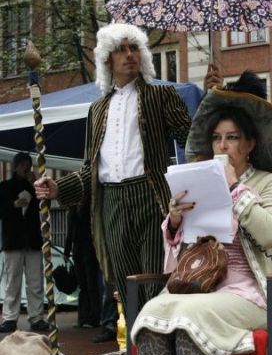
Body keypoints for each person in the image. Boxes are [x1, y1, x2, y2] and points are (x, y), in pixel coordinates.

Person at [129, 72, 272, 355]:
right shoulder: (199, 177)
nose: (223, 146)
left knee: (187, 320)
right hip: (200, 287)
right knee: (151, 315)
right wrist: (176, 221)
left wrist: (236, 189)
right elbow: (177, 261)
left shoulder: (270, 182)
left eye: (233, 138)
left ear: (250, 144)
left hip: (252, 291)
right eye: (218, 138)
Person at [34, 23, 197, 317]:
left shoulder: (161, 96)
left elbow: (193, 140)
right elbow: (90, 170)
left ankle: (156, 351)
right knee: (125, 284)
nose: (129, 54)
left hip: (150, 197)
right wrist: (58, 188)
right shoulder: (97, 109)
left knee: (155, 279)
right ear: (108, 58)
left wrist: (211, 97)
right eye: (121, 49)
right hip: (110, 202)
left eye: (134, 48)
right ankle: (134, 353)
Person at [0, 152, 49, 333]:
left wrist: (34, 183)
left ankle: (36, 317)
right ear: (15, 166)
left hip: (33, 240)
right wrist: (13, 206)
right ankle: (9, 318)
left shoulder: (36, 187)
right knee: (12, 281)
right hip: (13, 241)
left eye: (28, 164)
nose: (25, 167)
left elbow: (45, 207)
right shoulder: (4, 187)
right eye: (22, 164)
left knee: (35, 280)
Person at [64, 200, 101, 329]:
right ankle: (84, 317)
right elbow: (69, 231)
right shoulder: (73, 209)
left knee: (90, 284)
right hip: (78, 247)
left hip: (88, 247)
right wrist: (67, 250)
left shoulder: (88, 207)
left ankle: (93, 317)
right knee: (83, 284)